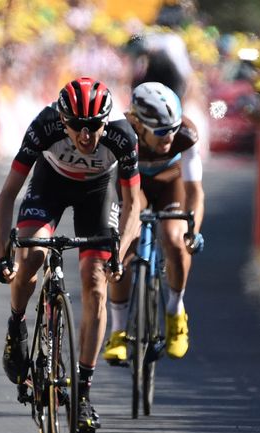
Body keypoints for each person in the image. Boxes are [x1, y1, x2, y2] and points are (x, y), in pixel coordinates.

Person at [0, 77, 141, 433]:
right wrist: (3, 256)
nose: (86, 136)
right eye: (77, 126)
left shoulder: (123, 137)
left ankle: (83, 392)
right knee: (31, 256)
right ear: (63, 121)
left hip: (98, 192)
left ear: (106, 122)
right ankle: (17, 326)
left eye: (93, 127)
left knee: (96, 284)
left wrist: (119, 254)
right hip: (51, 185)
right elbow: (7, 194)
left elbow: (134, 204)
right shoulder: (44, 126)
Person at [104, 82, 205, 362]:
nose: (169, 138)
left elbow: (195, 191)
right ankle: (119, 330)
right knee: (124, 247)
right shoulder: (119, 133)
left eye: (172, 129)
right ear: (137, 124)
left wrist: (192, 230)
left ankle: (175, 311)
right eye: (161, 132)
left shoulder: (186, 133)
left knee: (175, 239)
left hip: (171, 182)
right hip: (135, 186)